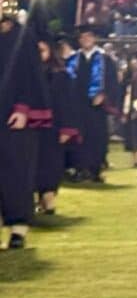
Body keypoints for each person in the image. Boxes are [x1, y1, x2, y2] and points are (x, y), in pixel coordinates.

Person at [0, 10, 49, 249]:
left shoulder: (20, 35)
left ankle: (18, 228)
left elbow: (30, 74)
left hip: (14, 115)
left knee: (16, 171)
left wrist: (23, 108)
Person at [35, 38, 79, 215]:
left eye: (42, 51)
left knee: (51, 163)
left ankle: (49, 198)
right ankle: (39, 199)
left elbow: (67, 104)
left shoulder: (60, 75)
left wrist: (67, 128)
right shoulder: (27, 74)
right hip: (32, 127)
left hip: (54, 126)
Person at [66, 24, 110, 182]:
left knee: (96, 137)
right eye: (82, 37)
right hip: (77, 105)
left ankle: (95, 170)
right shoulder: (73, 60)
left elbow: (113, 82)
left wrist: (103, 95)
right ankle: (79, 169)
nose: (86, 39)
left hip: (96, 107)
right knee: (78, 138)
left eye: (89, 36)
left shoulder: (105, 59)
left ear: (95, 38)